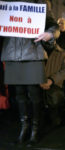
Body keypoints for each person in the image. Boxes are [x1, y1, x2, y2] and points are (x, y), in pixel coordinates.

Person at [0, 0, 59, 144]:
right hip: (12, 55)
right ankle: (24, 127)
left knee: (34, 95)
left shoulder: (38, 4)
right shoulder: (6, 4)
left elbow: (54, 26)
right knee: (19, 95)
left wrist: (49, 34)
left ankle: (35, 129)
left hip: (33, 54)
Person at [40, 39, 65, 127]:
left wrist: (52, 80)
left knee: (54, 115)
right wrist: (39, 80)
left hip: (54, 87)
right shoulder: (36, 50)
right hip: (38, 86)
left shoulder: (61, 53)